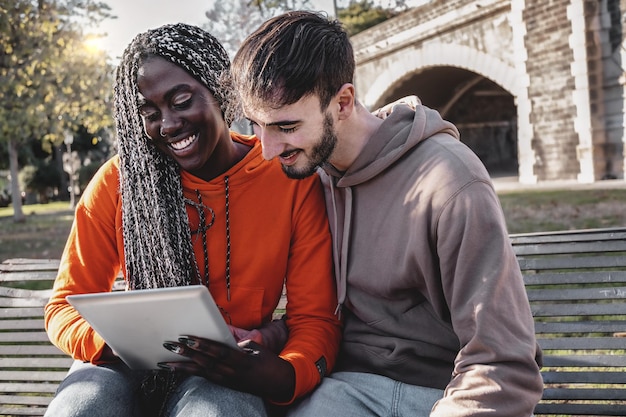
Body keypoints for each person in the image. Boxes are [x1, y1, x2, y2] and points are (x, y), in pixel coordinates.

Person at [230, 10, 544, 417]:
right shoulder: (310, 176)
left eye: (286, 127)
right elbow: (341, 314)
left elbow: (504, 361)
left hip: (438, 395)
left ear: (342, 102)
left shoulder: (451, 182)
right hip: (339, 388)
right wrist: (269, 338)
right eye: (257, 125)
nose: (267, 150)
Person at [43, 23, 341, 417]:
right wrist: (113, 342)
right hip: (126, 364)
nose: (167, 125)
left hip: (228, 373)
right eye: (149, 113)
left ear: (221, 91)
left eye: (181, 101)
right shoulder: (119, 183)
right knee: (80, 408)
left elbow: (315, 319)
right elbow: (62, 307)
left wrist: (286, 373)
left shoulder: (286, 180)